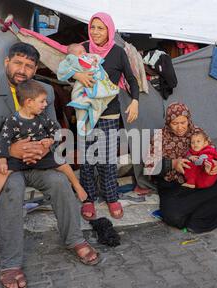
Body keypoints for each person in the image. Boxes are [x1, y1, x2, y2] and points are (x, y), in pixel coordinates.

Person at [0, 42, 100, 288]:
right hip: (2, 161)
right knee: (11, 187)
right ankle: (10, 263)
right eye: (18, 62)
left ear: (35, 69)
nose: (22, 69)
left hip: (38, 160)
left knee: (60, 182)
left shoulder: (45, 91)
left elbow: (52, 128)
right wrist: (9, 150)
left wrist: (41, 147)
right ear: (6, 62)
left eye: (29, 66)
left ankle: (74, 238)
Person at [0, 80, 87, 213]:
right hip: (20, 157)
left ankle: (77, 186)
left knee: (63, 165)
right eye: (42, 101)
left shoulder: (42, 118)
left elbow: (55, 130)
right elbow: (4, 140)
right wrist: (2, 159)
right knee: (2, 172)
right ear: (29, 102)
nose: (45, 104)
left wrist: (50, 140)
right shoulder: (13, 120)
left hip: (41, 155)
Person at [73, 12, 140, 221]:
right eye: (93, 27)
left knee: (107, 160)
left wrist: (135, 101)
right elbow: (65, 68)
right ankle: (87, 199)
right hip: (85, 112)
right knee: (86, 160)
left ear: (109, 30)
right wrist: (78, 75)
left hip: (109, 113)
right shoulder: (82, 48)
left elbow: (131, 79)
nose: (95, 32)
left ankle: (111, 197)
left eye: (101, 28)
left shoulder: (118, 52)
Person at [145, 102, 217, 233]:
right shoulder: (159, 137)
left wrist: (216, 165)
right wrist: (173, 164)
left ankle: (195, 218)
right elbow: (149, 166)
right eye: (175, 123)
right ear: (168, 122)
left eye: (183, 122)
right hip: (176, 187)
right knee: (172, 216)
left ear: (189, 120)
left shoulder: (197, 133)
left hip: (203, 183)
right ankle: (202, 215)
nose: (180, 127)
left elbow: (213, 154)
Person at [57, 43, 119, 136]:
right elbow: (63, 70)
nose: (83, 53)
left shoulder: (91, 57)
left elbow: (97, 64)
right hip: (82, 89)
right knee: (81, 105)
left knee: (96, 103)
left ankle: (90, 119)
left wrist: (94, 61)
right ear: (71, 56)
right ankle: (81, 123)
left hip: (99, 93)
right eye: (80, 52)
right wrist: (76, 74)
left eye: (84, 51)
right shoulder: (73, 61)